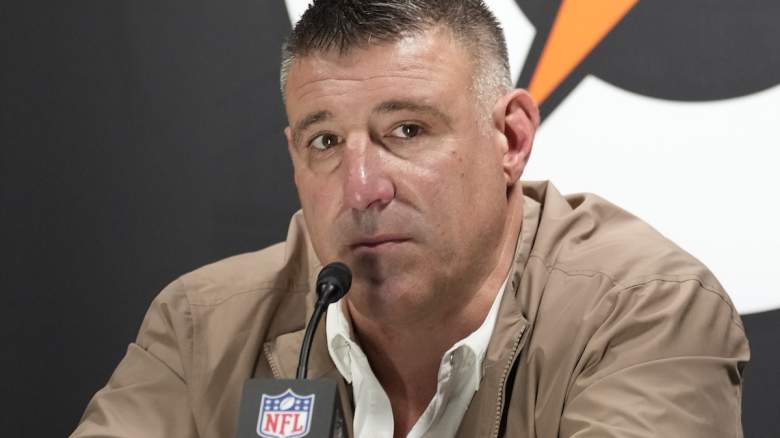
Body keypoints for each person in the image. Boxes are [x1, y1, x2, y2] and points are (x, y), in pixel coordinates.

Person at [71, 1, 750, 437]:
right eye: (325, 142)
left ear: (511, 138)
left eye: (407, 130)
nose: (362, 189)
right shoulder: (202, 324)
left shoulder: (647, 310)